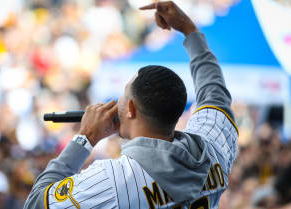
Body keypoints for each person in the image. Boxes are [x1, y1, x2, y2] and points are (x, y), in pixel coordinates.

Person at [24, 1, 238, 208]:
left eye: (123, 97)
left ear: (132, 109)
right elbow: (214, 92)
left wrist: (86, 138)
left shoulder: (113, 181)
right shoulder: (212, 148)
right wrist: (190, 30)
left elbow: (36, 204)